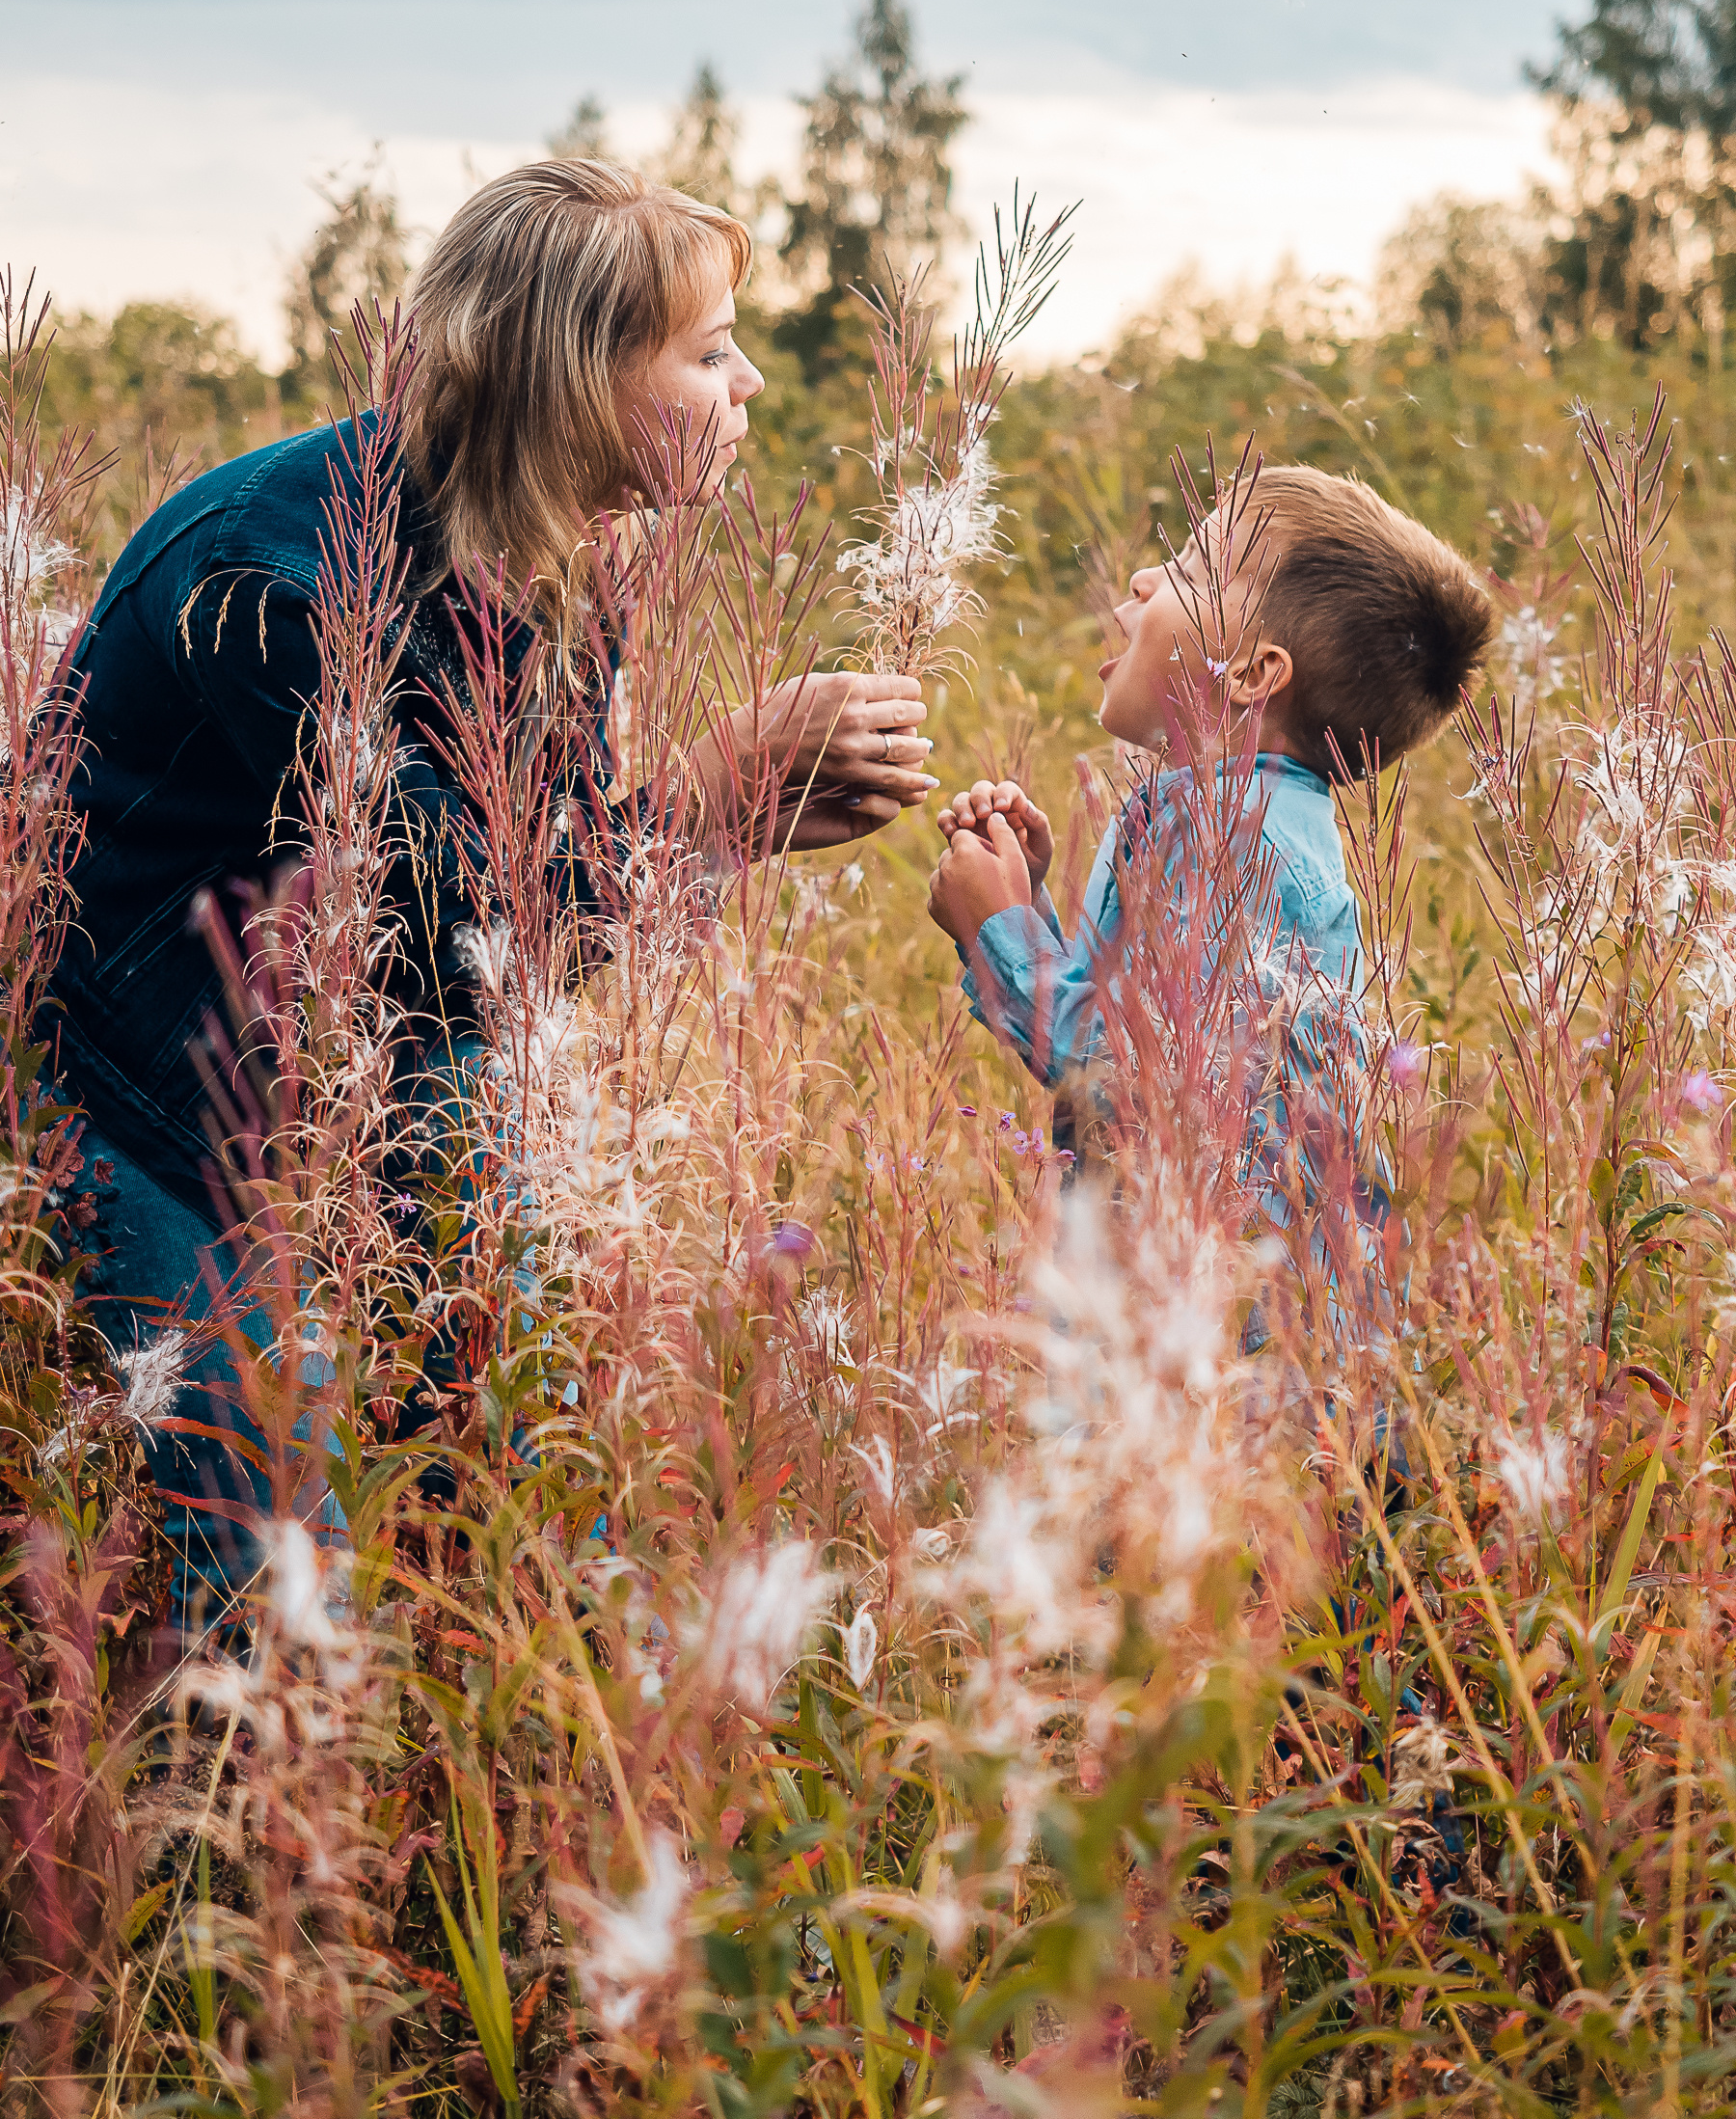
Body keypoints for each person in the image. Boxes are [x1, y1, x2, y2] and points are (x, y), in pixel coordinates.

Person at [52, 157, 938, 1630]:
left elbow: (526, 918)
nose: (756, 383)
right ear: (581, 381)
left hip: (388, 1052)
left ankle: (513, 1805)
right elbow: (447, 917)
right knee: (276, 1564)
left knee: (518, 1467)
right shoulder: (280, 585)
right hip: (142, 1085)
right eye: (711, 354)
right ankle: (240, 1845)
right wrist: (709, 803)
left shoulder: (576, 548)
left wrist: (724, 834)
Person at [925, 465, 1492, 1242]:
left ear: (1254, 675)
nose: (1144, 575)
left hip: (1230, 1331)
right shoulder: (1220, 821)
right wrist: (1024, 901)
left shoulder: (1239, 843)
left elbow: (1136, 1081)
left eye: (1191, 569)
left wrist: (1001, 932)